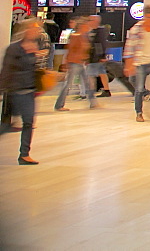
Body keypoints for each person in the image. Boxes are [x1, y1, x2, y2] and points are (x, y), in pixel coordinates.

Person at [0, 19, 44, 164]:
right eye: (34, 29)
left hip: (29, 89)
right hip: (16, 90)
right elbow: (7, 70)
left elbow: (31, 69)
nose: (37, 32)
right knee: (10, 125)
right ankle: (24, 154)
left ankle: (24, 154)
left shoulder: (33, 46)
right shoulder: (14, 48)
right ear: (26, 30)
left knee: (27, 122)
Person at [54, 15, 97, 111]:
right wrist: (66, 63)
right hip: (74, 63)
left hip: (81, 63)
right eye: (86, 25)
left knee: (87, 83)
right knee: (68, 84)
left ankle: (93, 102)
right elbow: (70, 49)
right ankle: (59, 105)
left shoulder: (83, 36)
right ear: (81, 26)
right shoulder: (75, 36)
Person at [85, 16, 111, 97]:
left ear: (95, 21)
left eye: (90, 20)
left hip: (95, 57)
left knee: (90, 74)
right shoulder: (92, 31)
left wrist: (101, 56)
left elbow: (102, 44)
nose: (89, 21)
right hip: (95, 57)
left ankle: (91, 92)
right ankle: (106, 90)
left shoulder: (99, 31)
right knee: (101, 73)